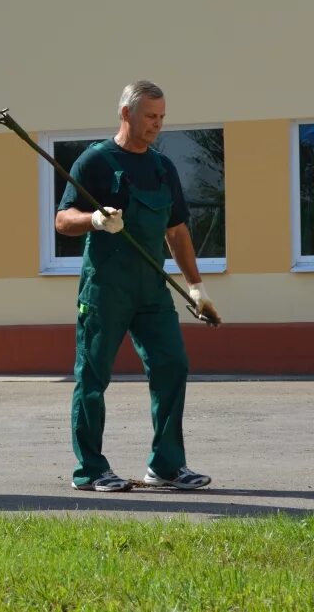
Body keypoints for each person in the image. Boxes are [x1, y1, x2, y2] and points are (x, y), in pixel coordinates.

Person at [55, 80, 221, 492]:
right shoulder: (94, 161)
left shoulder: (163, 167)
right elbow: (62, 220)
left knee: (172, 365)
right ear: (126, 114)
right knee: (92, 377)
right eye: (150, 116)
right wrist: (94, 219)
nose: (157, 125)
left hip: (152, 290)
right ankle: (90, 470)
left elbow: (178, 231)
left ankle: (166, 466)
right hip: (105, 288)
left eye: (162, 117)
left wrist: (196, 287)